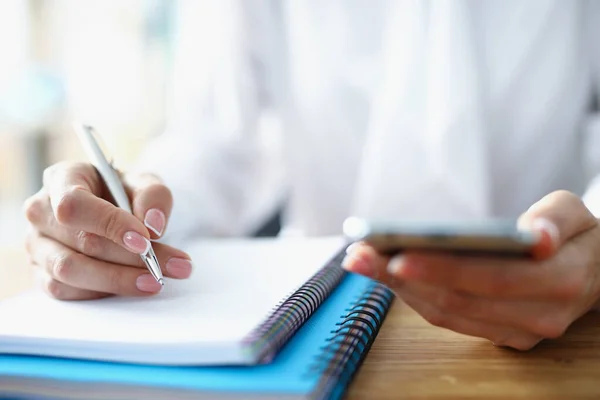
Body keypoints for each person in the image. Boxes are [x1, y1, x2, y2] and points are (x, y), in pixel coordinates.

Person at [22, 1, 600, 351]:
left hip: (563, 325)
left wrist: (594, 247)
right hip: (325, 317)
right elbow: (218, 143)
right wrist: (122, 209)